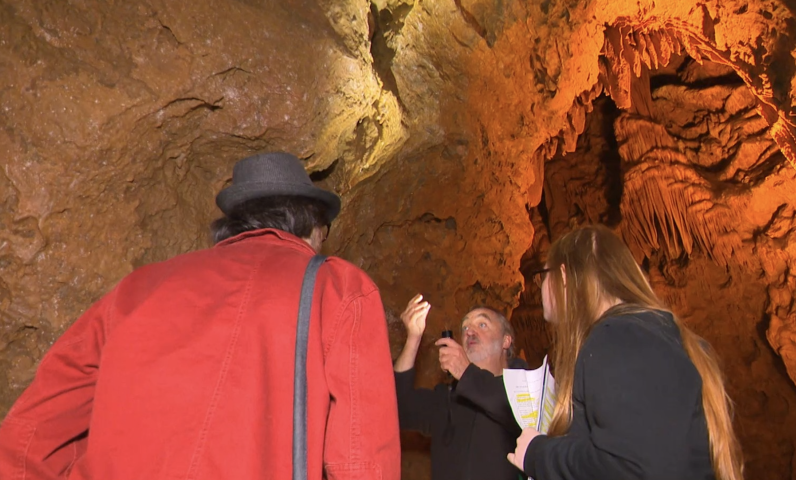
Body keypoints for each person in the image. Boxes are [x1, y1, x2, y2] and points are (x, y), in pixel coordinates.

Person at [0, 152, 401, 480]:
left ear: (234, 223)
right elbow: (362, 460)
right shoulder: (339, 288)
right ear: (313, 227)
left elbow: (29, 436)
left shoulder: (138, 288)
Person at [507, 225, 743, 480]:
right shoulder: (657, 337)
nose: (540, 286)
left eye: (543, 275)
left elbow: (630, 466)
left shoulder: (617, 338)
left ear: (563, 275)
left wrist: (538, 454)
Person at [393, 295, 525, 480]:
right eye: (465, 327)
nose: (469, 330)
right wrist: (413, 339)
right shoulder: (448, 398)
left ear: (506, 341)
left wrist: (465, 373)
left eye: (482, 324)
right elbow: (399, 407)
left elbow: (512, 410)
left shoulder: (524, 390)